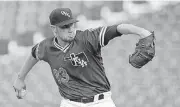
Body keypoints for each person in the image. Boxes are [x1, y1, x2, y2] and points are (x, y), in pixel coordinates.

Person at [13, 8, 153, 107]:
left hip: (100, 102)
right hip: (70, 103)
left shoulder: (88, 38)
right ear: (54, 29)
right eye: (64, 26)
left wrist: (142, 32)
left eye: (72, 24)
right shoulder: (46, 47)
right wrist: (20, 78)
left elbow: (117, 29)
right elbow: (33, 54)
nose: (70, 29)